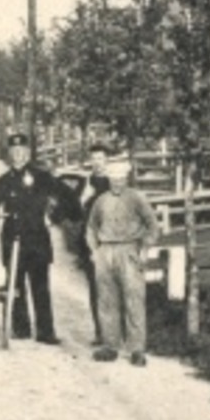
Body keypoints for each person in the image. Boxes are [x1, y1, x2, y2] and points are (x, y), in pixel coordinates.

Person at [0, 132, 79, 345]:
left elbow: (69, 196)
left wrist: (55, 218)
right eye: (13, 152)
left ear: (28, 153)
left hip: (37, 240)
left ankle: (46, 331)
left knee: (40, 286)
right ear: (9, 154)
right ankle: (21, 329)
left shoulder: (42, 177)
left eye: (22, 152)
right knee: (15, 286)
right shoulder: (1, 182)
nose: (18, 156)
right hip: (12, 239)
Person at [85, 158, 159, 367]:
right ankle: (110, 346)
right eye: (113, 179)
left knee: (134, 299)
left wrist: (144, 248)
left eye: (121, 179)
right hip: (105, 251)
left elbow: (153, 226)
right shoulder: (101, 201)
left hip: (129, 250)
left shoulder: (137, 198)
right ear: (108, 179)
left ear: (127, 178)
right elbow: (91, 227)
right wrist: (94, 250)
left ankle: (137, 349)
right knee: (107, 300)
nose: (117, 183)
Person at [79, 144, 114, 346]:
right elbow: (77, 210)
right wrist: (84, 197)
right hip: (91, 242)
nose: (97, 162)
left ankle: (115, 331)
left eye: (100, 158)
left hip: (110, 241)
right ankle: (100, 332)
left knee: (112, 286)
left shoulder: (113, 183)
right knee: (95, 287)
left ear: (106, 161)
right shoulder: (86, 183)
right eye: (94, 158)